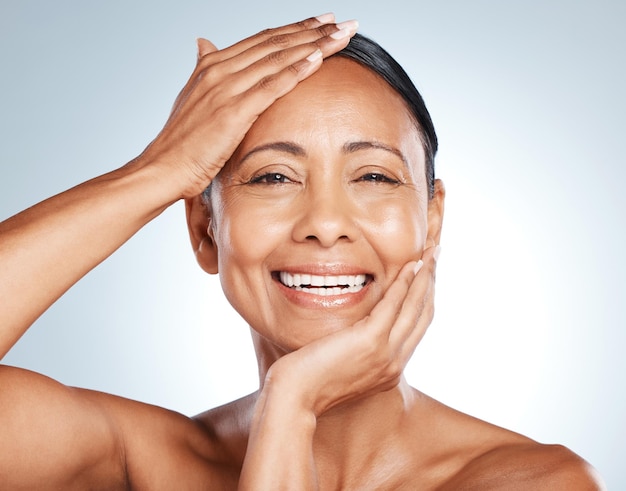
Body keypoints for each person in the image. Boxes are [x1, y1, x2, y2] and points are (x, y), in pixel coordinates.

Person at [0, 13, 604, 490]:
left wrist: (292, 403)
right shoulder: (136, 462)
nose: (325, 223)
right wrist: (161, 170)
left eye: (373, 176)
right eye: (273, 177)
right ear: (205, 230)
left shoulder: (532, 482)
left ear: (432, 221)